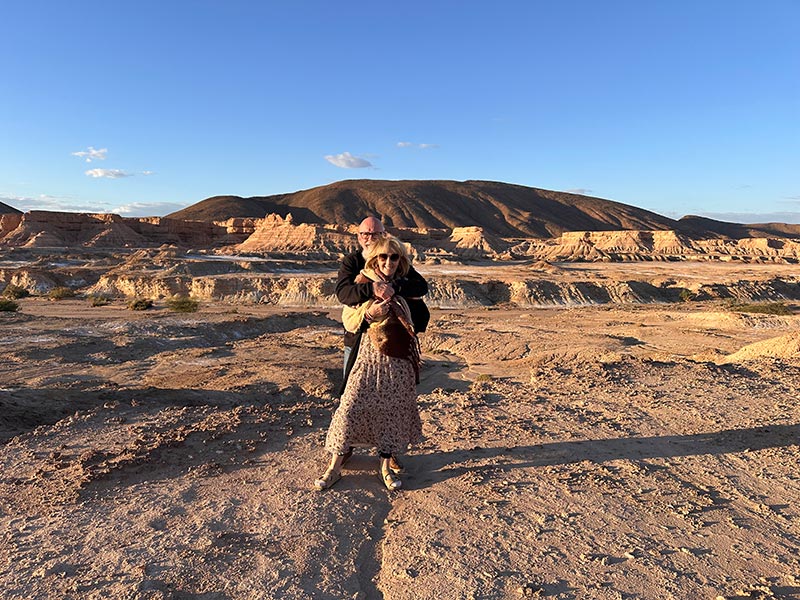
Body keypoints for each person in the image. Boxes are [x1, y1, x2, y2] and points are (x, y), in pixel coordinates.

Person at [315, 235, 423, 491]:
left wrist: (400, 298)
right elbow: (348, 316)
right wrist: (369, 313)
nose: (389, 262)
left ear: (401, 260)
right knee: (350, 405)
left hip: (398, 359)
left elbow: (421, 299)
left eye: (394, 257)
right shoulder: (363, 280)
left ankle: (385, 467)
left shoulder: (404, 282)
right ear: (374, 258)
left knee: (392, 410)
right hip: (368, 357)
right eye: (383, 257)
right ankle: (334, 467)